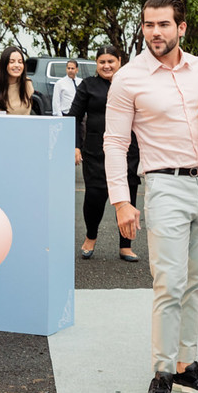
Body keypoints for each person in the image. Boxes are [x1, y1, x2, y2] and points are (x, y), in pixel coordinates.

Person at [105, 0, 198, 393]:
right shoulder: (128, 78)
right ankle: (162, 371)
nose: (155, 32)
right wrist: (122, 202)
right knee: (169, 283)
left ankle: (186, 365)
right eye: (148, 24)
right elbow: (115, 142)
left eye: (163, 24)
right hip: (164, 185)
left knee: (196, 281)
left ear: (182, 27)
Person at [68, 45, 141, 262]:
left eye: (111, 61)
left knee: (128, 197)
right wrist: (75, 146)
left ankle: (125, 246)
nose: (107, 66)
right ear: (96, 64)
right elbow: (73, 117)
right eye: (102, 62)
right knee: (94, 197)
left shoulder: (130, 84)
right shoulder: (88, 85)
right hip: (95, 152)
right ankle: (90, 237)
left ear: (120, 61)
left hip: (128, 151)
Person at [0, 46, 35, 114]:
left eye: (20, 62)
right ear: (4, 64)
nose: (17, 65)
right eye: (12, 62)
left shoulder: (27, 83)